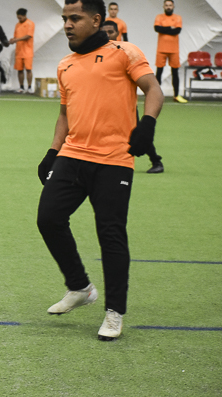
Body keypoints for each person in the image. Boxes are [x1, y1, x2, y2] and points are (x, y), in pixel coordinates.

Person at [36, 0, 164, 341]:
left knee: (110, 234)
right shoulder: (65, 64)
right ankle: (80, 287)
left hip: (114, 159)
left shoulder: (125, 53)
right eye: (64, 18)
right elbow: (64, 113)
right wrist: (52, 152)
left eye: (74, 18)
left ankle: (114, 311)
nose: (67, 24)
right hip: (73, 155)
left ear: (96, 20)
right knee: (48, 219)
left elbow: (153, 89)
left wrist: (147, 124)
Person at [102, 21, 165, 173]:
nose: (107, 35)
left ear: (117, 34)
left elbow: (150, 85)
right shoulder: (93, 55)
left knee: (139, 133)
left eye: (110, 32)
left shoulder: (127, 54)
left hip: (125, 107)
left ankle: (156, 161)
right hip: (102, 106)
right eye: (104, 32)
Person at [154, 0, 187, 103]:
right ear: (164, 6)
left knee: (175, 73)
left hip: (174, 50)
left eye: (170, 5)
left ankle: (176, 95)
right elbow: (157, 28)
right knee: (159, 72)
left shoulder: (178, 18)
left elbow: (177, 31)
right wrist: (170, 28)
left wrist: (164, 29)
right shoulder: (159, 17)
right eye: (166, 5)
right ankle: (155, 95)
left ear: (173, 6)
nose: (168, 7)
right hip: (161, 49)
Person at [9, 8, 34, 94]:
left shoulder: (30, 24)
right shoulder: (17, 25)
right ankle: (21, 87)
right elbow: (16, 37)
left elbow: (29, 36)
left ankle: (29, 87)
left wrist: (17, 39)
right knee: (19, 70)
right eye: (18, 18)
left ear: (24, 16)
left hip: (28, 50)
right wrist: (13, 40)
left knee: (28, 69)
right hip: (19, 51)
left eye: (20, 18)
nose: (19, 19)